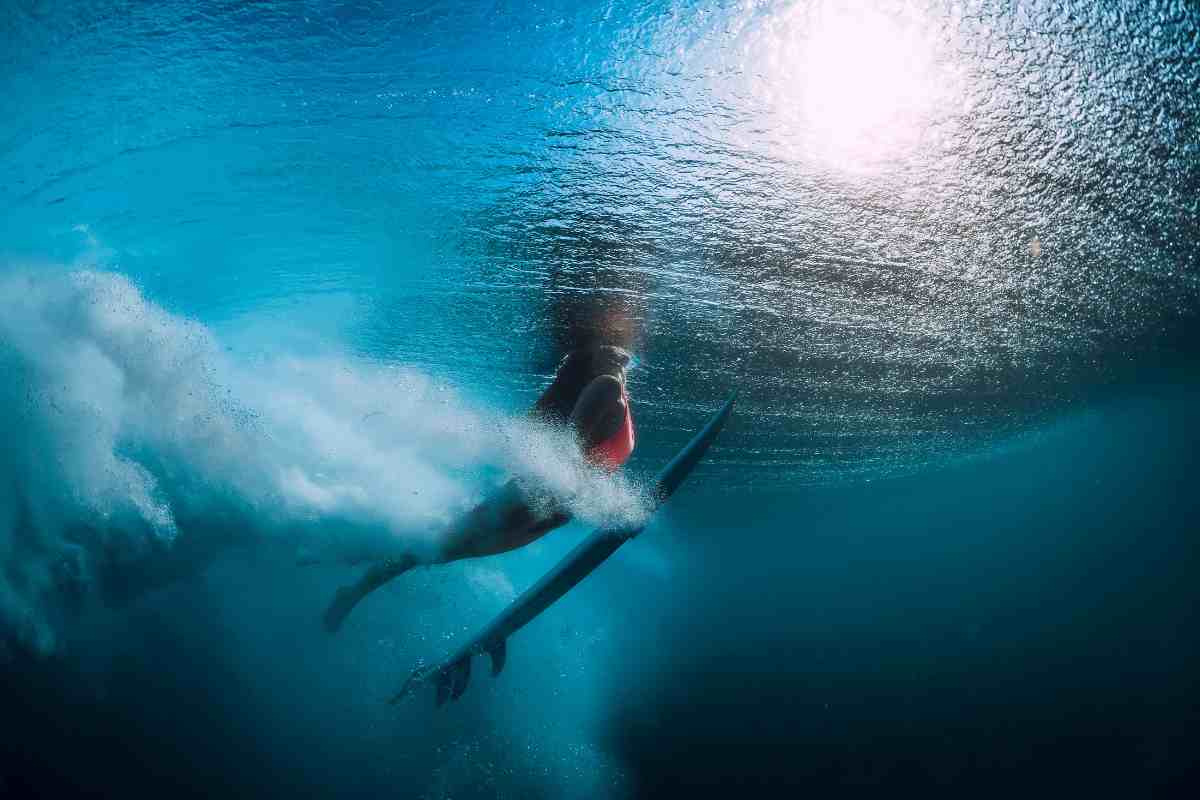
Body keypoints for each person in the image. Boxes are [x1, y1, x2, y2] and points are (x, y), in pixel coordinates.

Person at [322, 344, 635, 632]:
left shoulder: (617, 393)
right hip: (528, 501)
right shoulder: (605, 388)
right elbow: (566, 452)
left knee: (437, 551)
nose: (618, 353)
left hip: (545, 507)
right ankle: (352, 582)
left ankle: (354, 558)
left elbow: (578, 456)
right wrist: (605, 505)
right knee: (432, 549)